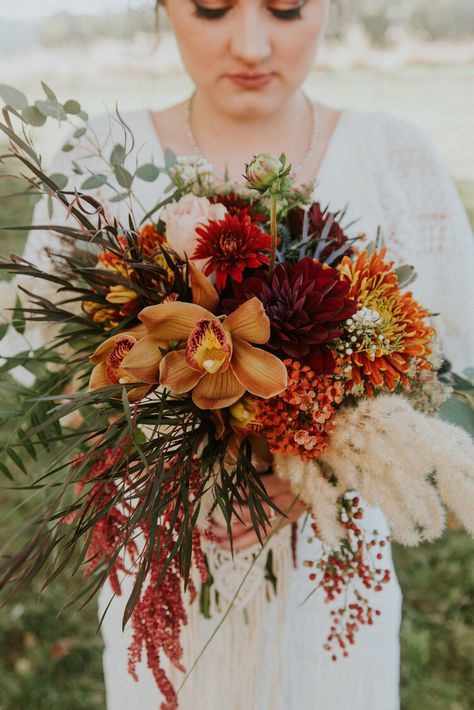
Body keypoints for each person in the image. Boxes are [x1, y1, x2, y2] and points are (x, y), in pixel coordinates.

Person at [16, 1, 474, 708]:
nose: (252, 44)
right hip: (166, 578)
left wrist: (326, 451)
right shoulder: (98, 160)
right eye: (212, 7)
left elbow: (446, 374)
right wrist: (170, 442)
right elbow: (62, 375)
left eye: (288, 8)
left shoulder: (396, 159)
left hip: (335, 572)